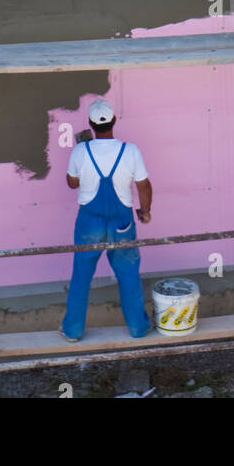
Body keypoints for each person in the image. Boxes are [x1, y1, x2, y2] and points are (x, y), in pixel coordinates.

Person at [60, 99, 153, 342]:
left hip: (88, 224)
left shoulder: (81, 150)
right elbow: (143, 184)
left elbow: (72, 183)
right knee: (128, 274)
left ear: (90, 124)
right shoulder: (130, 150)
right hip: (122, 223)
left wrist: (85, 162)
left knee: (81, 275)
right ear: (113, 121)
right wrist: (145, 211)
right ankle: (138, 328)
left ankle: (72, 331)